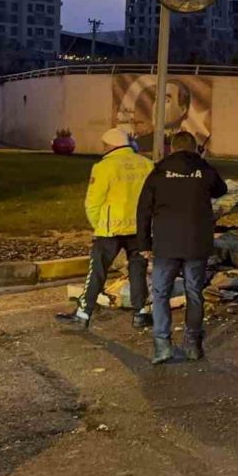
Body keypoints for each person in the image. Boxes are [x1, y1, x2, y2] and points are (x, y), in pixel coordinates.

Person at [137, 131, 228, 365]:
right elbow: (221, 189)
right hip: (196, 243)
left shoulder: (158, 172)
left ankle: (161, 346)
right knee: (194, 293)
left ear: (172, 148)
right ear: (195, 148)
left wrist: (144, 244)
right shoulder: (203, 169)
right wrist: (202, 160)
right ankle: (192, 346)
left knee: (160, 294)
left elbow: (143, 210)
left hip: (166, 243)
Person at [56, 129, 154, 329]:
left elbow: (92, 202)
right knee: (138, 270)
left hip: (110, 229)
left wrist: (97, 225)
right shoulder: (146, 164)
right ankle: (141, 313)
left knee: (97, 270)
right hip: (139, 228)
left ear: (110, 145)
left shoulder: (104, 167)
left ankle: (83, 313)